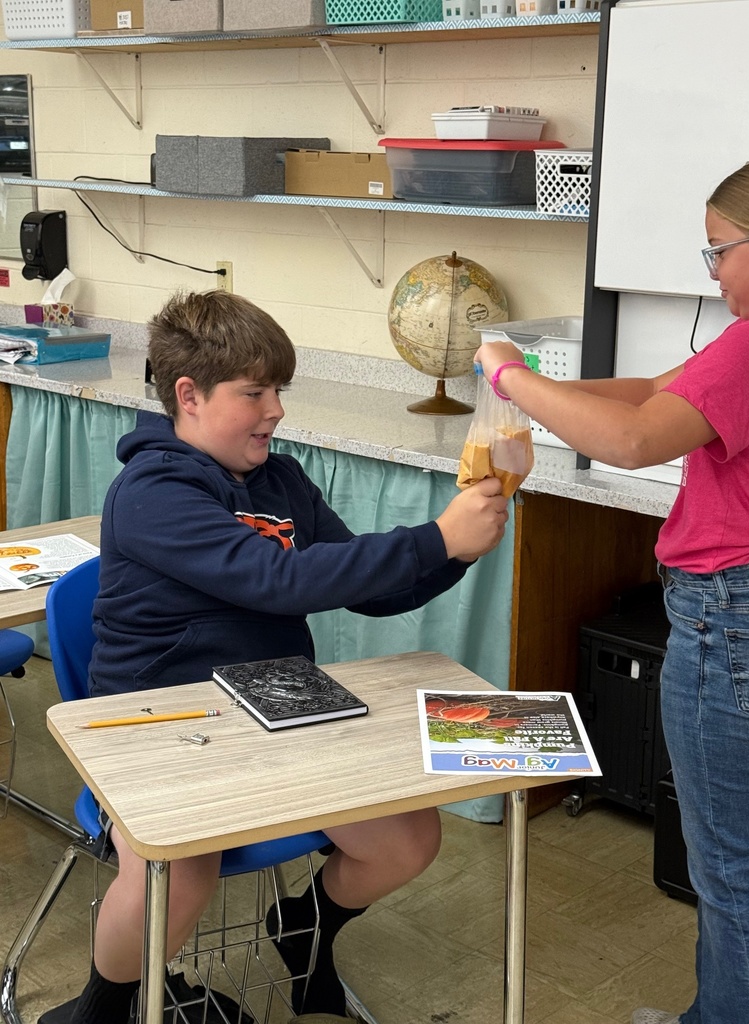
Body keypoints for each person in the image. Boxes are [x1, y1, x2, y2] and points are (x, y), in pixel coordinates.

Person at [40, 289, 509, 1024]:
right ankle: (101, 1008)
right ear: (188, 397)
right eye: (254, 392)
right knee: (182, 874)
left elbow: (367, 585)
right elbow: (273, 580)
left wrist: (457, 549)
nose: (276, 410)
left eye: (279, 390)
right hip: (158, 722)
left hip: (275, 706)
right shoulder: (152, 490)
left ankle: (305, 932)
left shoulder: (282, 480)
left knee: (409, 837)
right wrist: (438, 538)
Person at [474, 154, 749, 1024]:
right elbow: (651, 392)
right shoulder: (745, 346)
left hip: (735, 626)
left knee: (733, 869)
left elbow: (637, 438)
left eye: (719, 251)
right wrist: (542, 389)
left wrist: (506, 377)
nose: (711, 273)